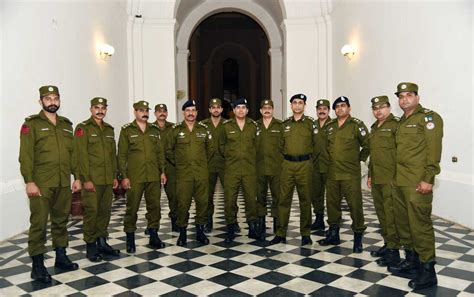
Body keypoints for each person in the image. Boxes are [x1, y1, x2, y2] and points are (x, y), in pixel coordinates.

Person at [19, 85, 81, 283]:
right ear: (41, 101)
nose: (52, 101)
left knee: (61, 221)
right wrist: (29, 181)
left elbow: (73, 154)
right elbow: (26, 156)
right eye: (48, 98)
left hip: (63, 182)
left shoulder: (66, 125)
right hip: (42, 183)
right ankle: (37, 265)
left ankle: (61, 256)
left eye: (55, 98)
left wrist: (77, 177)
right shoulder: (32, 124)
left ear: (59, 101)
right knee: (39, 224)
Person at [390, 82, 443, 290]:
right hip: (400, 181)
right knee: (404, 224)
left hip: (417, 182)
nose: (404, 99)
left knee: (420, 225)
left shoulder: (428, 118)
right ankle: (412, 261)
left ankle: (428, 270)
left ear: (417, 97)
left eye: (409, 95)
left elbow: (433, 150)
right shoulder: (402, 121)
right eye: (401, 96)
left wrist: (428, 178)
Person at [318, 96, 369, 253]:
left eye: (343, 106)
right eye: (337, 106)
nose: (340, 108)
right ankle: (333, 234)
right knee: (332, 205)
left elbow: (367, 144)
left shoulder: (356, 125)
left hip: (350, 174)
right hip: (332, 173)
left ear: (349, 108)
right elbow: (326, 146)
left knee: (355, 206)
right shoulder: (330, 126)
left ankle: (358, 238)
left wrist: (359, 160)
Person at [74, 97, 120, 262]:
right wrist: (85, 179)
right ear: (91, 109)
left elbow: (112, 155)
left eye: (103, 108)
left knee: (105, 212)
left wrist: (115, 176)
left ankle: (102, 241)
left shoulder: (109, 129)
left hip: (107, 180)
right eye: (96, 108)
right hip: (92, 180)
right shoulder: (83, 128)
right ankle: (91, 245)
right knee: (92, 213)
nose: (100, 111)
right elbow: (81, 156)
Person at [118, 100, 167, 253]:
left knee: (155, 207)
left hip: (153, 175)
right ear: (135, 112)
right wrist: (124, 176)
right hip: (135, 176)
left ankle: (153, 234)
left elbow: (160, 153)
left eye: (146, 110)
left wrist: (162, 171)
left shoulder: (154, 130)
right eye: (141, 110)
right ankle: (130, 238)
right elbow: (121, 156)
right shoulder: (127, 130)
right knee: (132, 208)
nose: (144, 113)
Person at [166, 99, 214, 246]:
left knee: (202, 204)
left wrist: (201, 163)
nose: (191, 113)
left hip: (201, 174)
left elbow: (210, 149)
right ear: (183, 113)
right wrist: (179, 163)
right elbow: (168, 150)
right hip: (183, 175)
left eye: (193, 110)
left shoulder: (204, 129)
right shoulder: (175, 130)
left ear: (197, 112)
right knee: (183, 204)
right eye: (188, 111)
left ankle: (200, 232)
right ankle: (182, 234)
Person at [270, 93, 316, 246]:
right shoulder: (285, 125)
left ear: (304, 106)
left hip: (305, 165)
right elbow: (280, 146)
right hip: (288, 165)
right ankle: (281, 233)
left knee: (305, 200)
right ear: (291, 106)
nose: (297, 105)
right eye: (295, 103)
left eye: (300, 103)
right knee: (283, 200)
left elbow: (316, 146)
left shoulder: (311, 124)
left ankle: (306, 234)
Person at [219, 98, 262, 243]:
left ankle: (252, 228)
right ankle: (231, 228)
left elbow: (258, 146)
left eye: (244, 107)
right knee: (230, 200)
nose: (241, 110)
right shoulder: (226, 126)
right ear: (234, 110)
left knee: (251, 200)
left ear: (247, 110)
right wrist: (231, 156)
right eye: (238, 107)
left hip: (250, 170)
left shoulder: (253, 126)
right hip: (232, 170)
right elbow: (221, 145)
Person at [366, 96, 400, 266]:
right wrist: (371, 175)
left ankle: (394, 252)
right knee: (381, 214)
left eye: (382, 107)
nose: (378, 111)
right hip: (377, 178)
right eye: (375, 108)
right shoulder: (374, 127)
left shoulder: (396, 125)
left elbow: (401, 154)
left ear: (389, 108)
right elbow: (374, 155)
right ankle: (388, 244)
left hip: (390, 180)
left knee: (391, 215)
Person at [256, 99, 283, 235]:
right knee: (260, 198)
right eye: (264, 108)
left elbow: (285, 146)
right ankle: (261, 224)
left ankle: (277, 226)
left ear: (273, 109)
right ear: (261, 110)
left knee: (277, 197)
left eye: (269, 107)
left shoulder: (280, 126)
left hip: (276, 168)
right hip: (259, 168)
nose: (267, 110)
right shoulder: (254, 126)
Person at [199, 98, 226, 233]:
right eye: (213, 107)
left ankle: (232, 221)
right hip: (208, 166)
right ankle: (207, 220)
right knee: (207, 195)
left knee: (230, 195)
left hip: (225, 165)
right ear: (209, 110)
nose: (216, 109)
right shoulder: (202, 125)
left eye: (218, 107)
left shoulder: (228, 125)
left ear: (221, 109)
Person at [154, 103, 177, 232]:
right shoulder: (150, 128)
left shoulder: (173, 127)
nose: (162, 113)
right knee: (153, 198)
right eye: (159, 111)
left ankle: (175, 221)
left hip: (170, 166)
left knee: (173, 195)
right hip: (154, 166)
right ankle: (153, 225)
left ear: (167, 113)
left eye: (164, 111)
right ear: (155, 114)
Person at [311, 99, 331, 232]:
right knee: (316, 194)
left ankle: (333, 223)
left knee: (332, 197)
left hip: (330, 166)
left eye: (324, 108)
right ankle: (319, 220)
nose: (322, 111)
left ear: (328, 110)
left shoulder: (334, 124)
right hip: (315, 166)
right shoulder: (312, 125)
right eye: (319, 108)